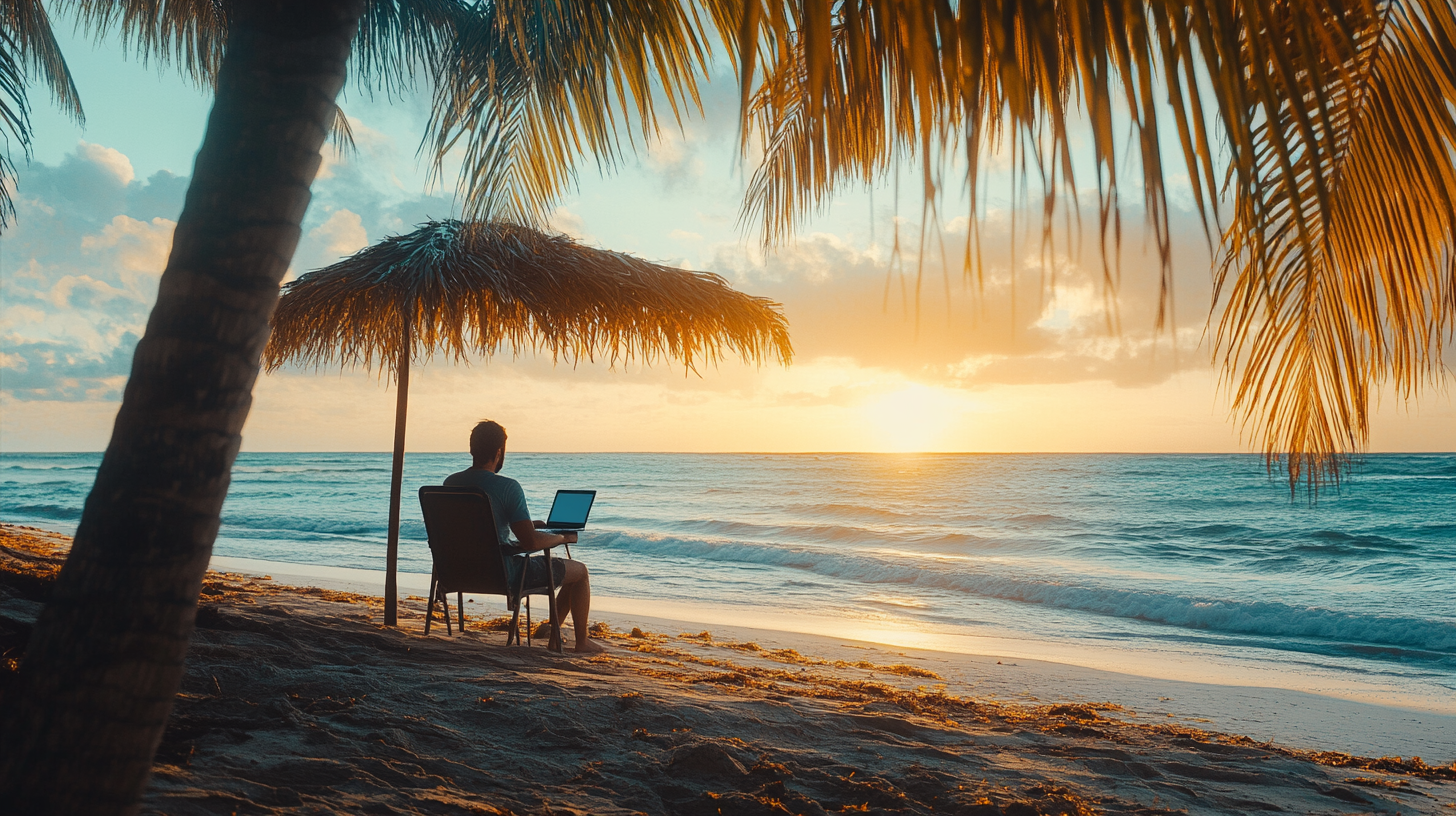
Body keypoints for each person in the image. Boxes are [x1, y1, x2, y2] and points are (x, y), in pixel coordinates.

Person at [444, 420, 604, 654]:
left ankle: (555, 636)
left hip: (457, 571)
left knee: (564, 566)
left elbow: (477, 529)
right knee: (579, 572)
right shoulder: (508, 487)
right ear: (499, 452)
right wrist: (561, 538)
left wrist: (528, 525)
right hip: (503, 574)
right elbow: (530, 543)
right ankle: (580, 642)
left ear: (472, 449)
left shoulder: (450, 483)